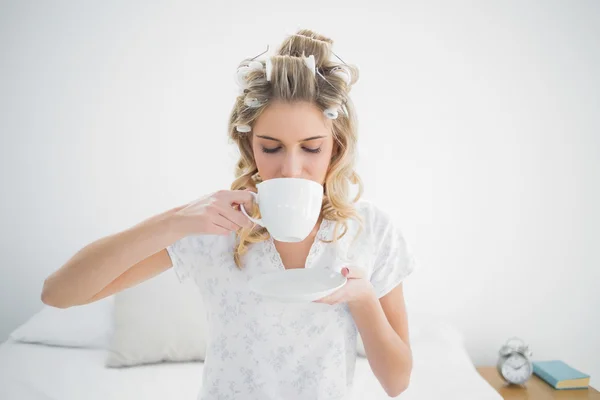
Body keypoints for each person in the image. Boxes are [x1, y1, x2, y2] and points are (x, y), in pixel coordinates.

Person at [41, 29, 416, 400]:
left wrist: (363, 297)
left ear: (335, 148)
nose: (290, 168)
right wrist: (175, 220)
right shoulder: (213, 225)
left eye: (311, 148)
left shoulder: (369, 230)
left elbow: (397, 382)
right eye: (271, 148)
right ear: (250, 147)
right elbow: (58, 294)